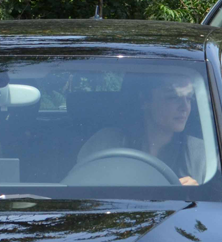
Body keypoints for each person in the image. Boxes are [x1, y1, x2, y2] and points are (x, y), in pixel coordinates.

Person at [77, 74, 205, 185]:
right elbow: (79, 186)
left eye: (189, 98)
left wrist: (196, 193)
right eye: (173, 97)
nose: (185, 107)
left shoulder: (201, 153)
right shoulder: (105, 143)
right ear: (145, 100)